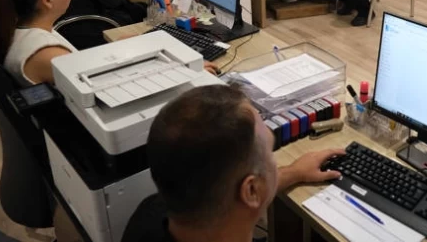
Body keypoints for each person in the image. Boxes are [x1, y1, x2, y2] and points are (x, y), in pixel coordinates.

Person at [121, 85, 344, 242]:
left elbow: (228, 191)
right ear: (252, 190)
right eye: (270, 151)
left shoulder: (151, 213)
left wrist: (295, 172)